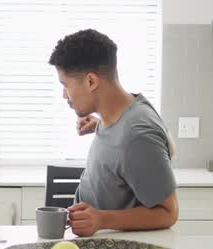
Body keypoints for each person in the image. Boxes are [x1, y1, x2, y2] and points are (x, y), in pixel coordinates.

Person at [48, 29, 179, 237]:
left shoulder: (137, 135)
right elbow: (167, 143)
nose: (64, 95)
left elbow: (168, 213)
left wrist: (102, 219)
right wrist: (104, 126)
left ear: (91, 81)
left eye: (65, 85)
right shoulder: (129, 111)